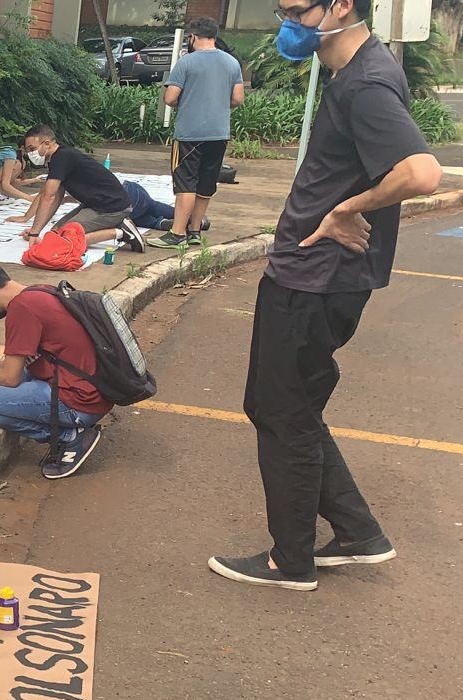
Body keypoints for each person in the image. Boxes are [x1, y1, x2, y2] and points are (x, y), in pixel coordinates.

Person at [208, 0, 440, 590]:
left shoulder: (365, 81)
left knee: (282, 412)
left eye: (293, 10)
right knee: (287, 407)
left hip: (313, 280)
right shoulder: (356, 72)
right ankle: (358, 533)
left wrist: (346, 209)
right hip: (316, 276)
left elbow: (421, 173)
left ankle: (291, 561)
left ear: (339, 5)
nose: (285, 22)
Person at [0, 255, 110, 479]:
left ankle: (68, 435)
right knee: (13, 378)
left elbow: (10, 378)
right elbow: (29, 357)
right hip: (92, 390)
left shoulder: (21, 310)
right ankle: (70, 430)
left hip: (78, 403)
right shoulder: (39, 291)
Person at [153, 16, 244, 249]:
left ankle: (176, 233)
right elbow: (238, 99)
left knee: (185, 183)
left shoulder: (186, 62)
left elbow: (170, 98)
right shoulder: (232, 63)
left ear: (192, 37)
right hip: (219, 133)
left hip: (189, 134)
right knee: (206, 183)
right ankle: (195, 231)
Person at [9, 125, 147, 253]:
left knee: (61, 240)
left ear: (47, 143)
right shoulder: (59, 156)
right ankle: (116, 226)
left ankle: (122, 232)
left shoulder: (61, 158)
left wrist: (34, 232)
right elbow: (55, 197)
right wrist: (35, 230)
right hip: (96, 205)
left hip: (112, 207)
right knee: (54, 234)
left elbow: (48, 197)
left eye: (32, 149)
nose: (30, 154)